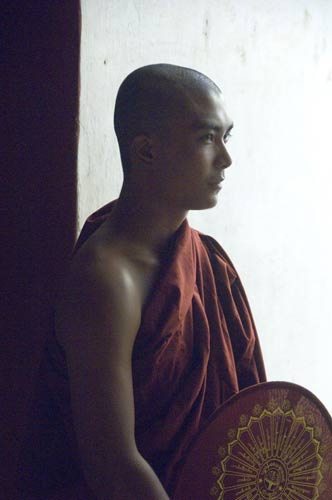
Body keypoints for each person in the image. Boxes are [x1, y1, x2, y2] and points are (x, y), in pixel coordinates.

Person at [17, 64, 266, 500]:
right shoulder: (107, 279)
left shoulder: (208, 259)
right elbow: (116, 469)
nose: (225, 158)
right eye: (207, 138)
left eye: (227, 137)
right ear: (146, 151)